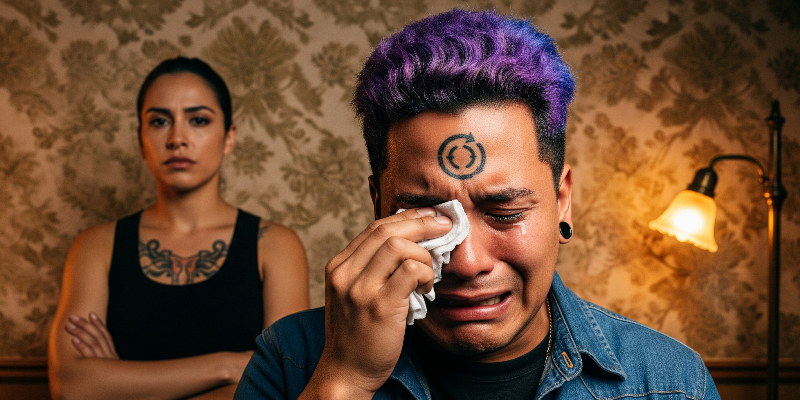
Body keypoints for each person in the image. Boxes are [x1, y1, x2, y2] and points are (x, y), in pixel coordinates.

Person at [233, 9, 722, 400]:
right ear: (378, 204)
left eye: (505, 213)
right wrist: (344, 381)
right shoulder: (291, 362)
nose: (467, 262)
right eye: (429, 217)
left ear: (562, 200)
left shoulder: (671, 384)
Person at [48, 57, 309, 400]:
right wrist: (230, 366)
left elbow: (285, 384)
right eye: (159, 121)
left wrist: (120, 387)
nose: (177, 138)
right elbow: (71, 385)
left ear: (229, 138)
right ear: (141, 140)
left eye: (198, 120)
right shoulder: (96, 245)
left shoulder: (274, 245)